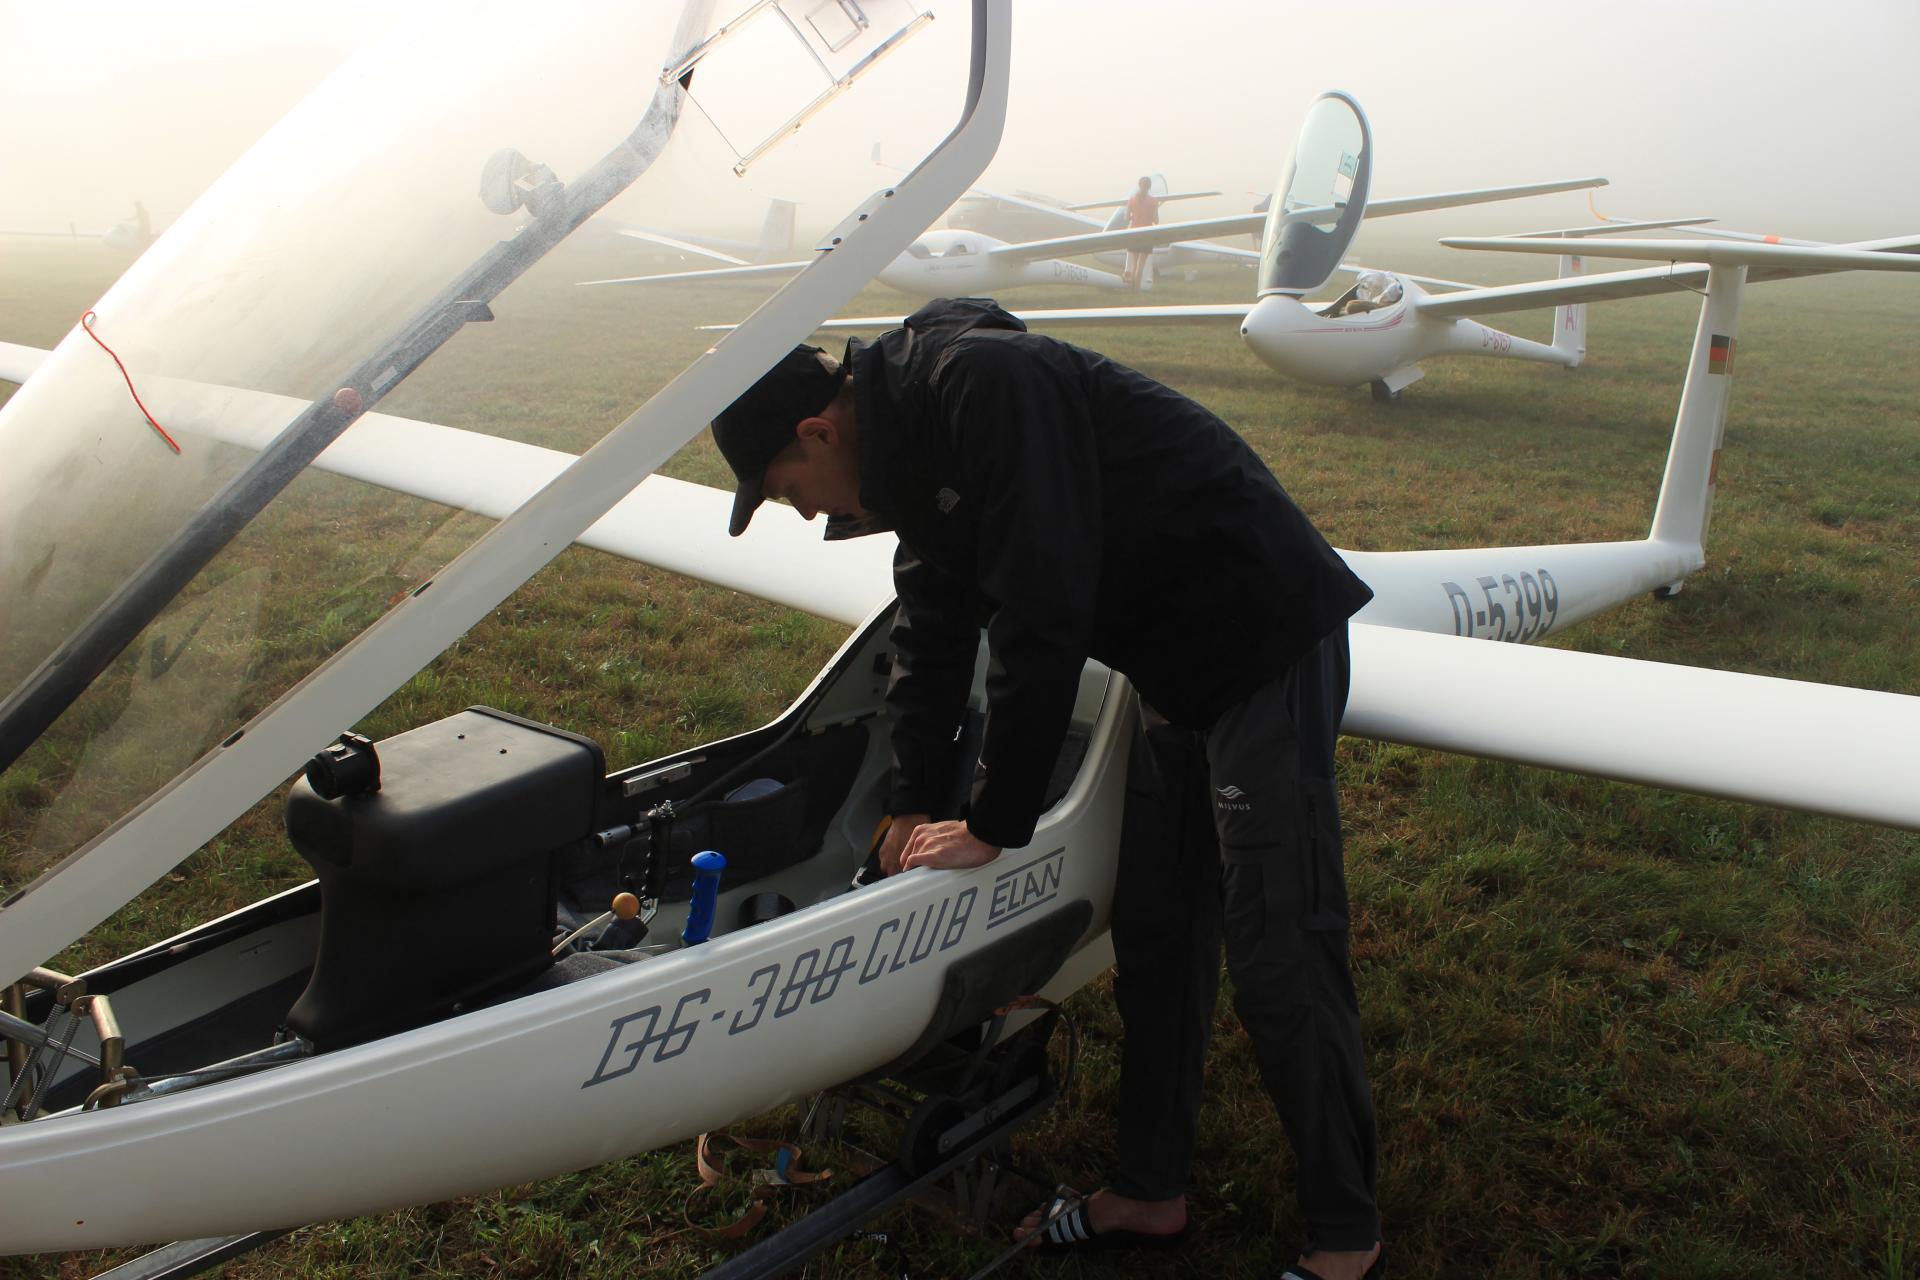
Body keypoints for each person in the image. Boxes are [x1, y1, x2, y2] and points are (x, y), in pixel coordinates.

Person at [711, 298, 1383, 1280]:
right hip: (1173, 660)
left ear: (818, 432)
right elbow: (932, 632)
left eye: (787, 491)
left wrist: (994, 818)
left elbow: (1042, 606)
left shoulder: (982, 386)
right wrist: (909, 803)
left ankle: (1346, 1236)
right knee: (1157, 931)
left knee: (1278, 942)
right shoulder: (909, 449)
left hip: (1258, 630)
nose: (807, 513)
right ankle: (1150, 1191)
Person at [1121, 175, 1160, 289]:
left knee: (1134, 264)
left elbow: (1126, 218)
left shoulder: (1132, 200)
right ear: (1149, 187)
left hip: (1133, 234)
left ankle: (1133, 288)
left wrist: (1134, 217)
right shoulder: (1153, 201)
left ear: (1139, 185)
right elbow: (1156, 220)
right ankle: (1136, 289)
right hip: (1146, 234)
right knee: (1140, 265)